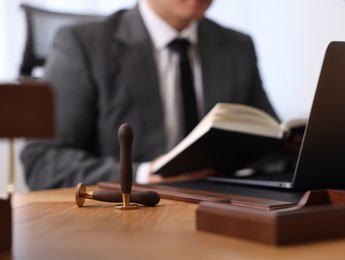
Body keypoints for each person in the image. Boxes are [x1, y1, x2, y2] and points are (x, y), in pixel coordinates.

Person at [21, 0, 279, 190]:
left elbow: (271, 142)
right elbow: (42, 161)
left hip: (221, 209)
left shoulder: (238, 47)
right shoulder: (82, 45)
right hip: (126, 220)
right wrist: (142, 174)